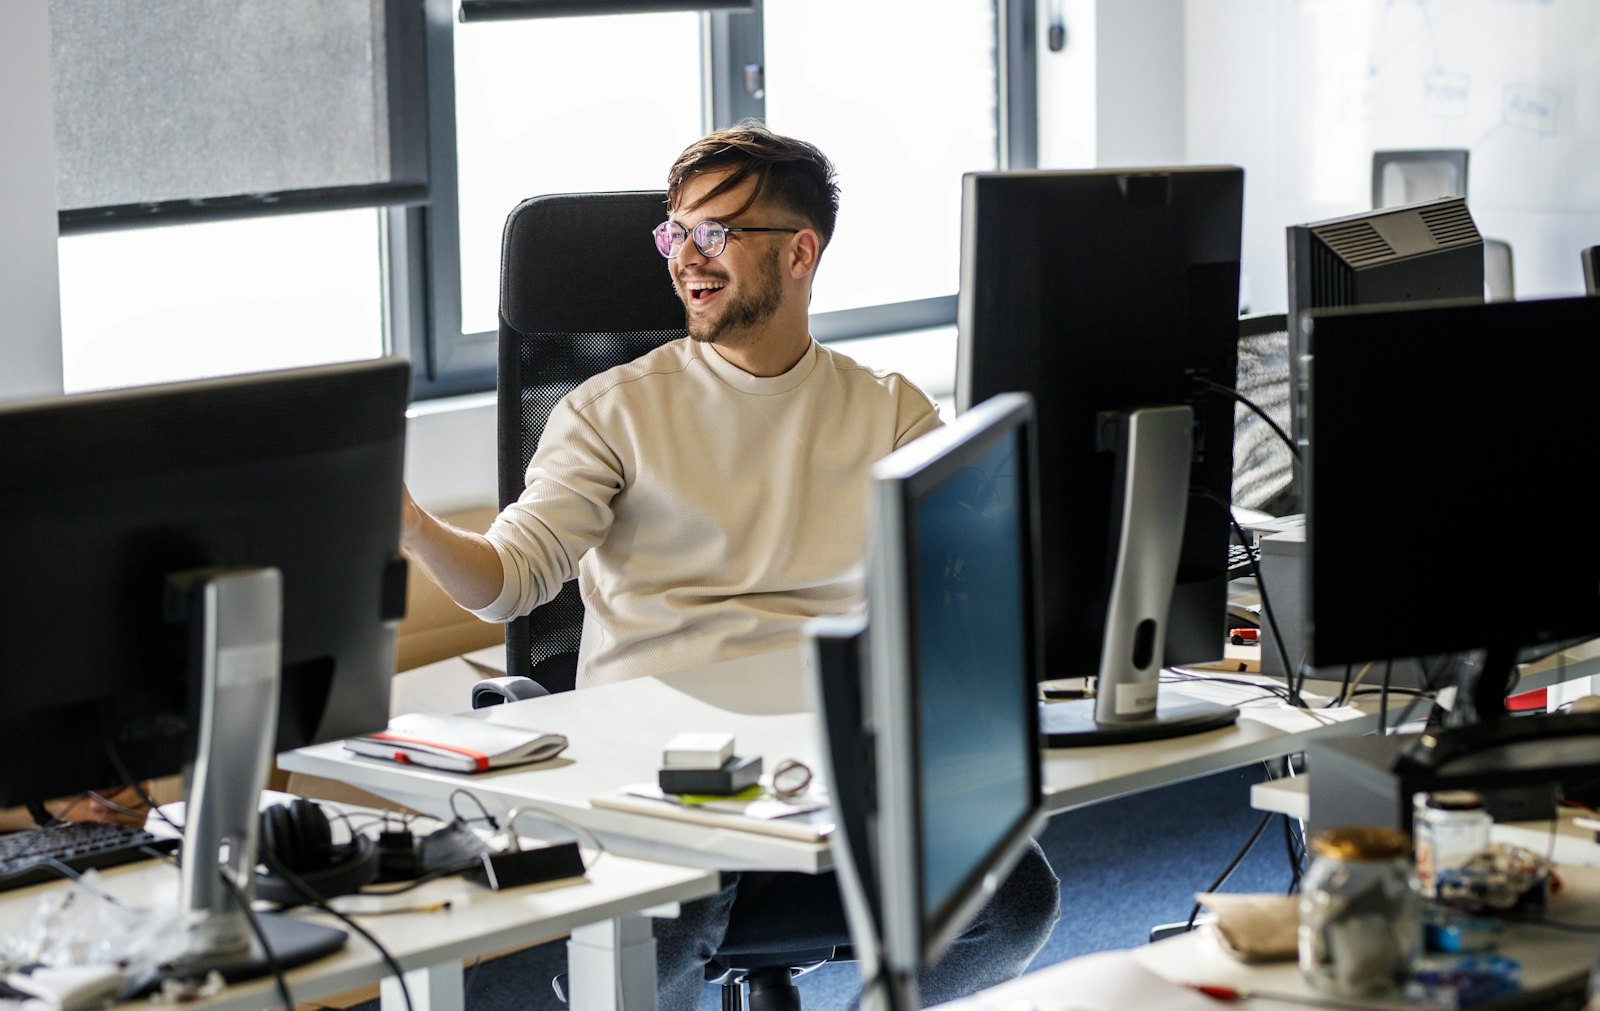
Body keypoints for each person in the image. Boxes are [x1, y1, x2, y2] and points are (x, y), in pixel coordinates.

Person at [401, 121, 1059, 1008]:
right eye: (675, 232)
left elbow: (964, 584)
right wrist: (410, 526)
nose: (683, 258)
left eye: (714, 233)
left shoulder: (890, 411)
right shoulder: (612, 412)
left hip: (827, 758)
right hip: (666, 765)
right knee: (673, 926)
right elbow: (510, 579)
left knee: (1014, 902)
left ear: (799, 251)